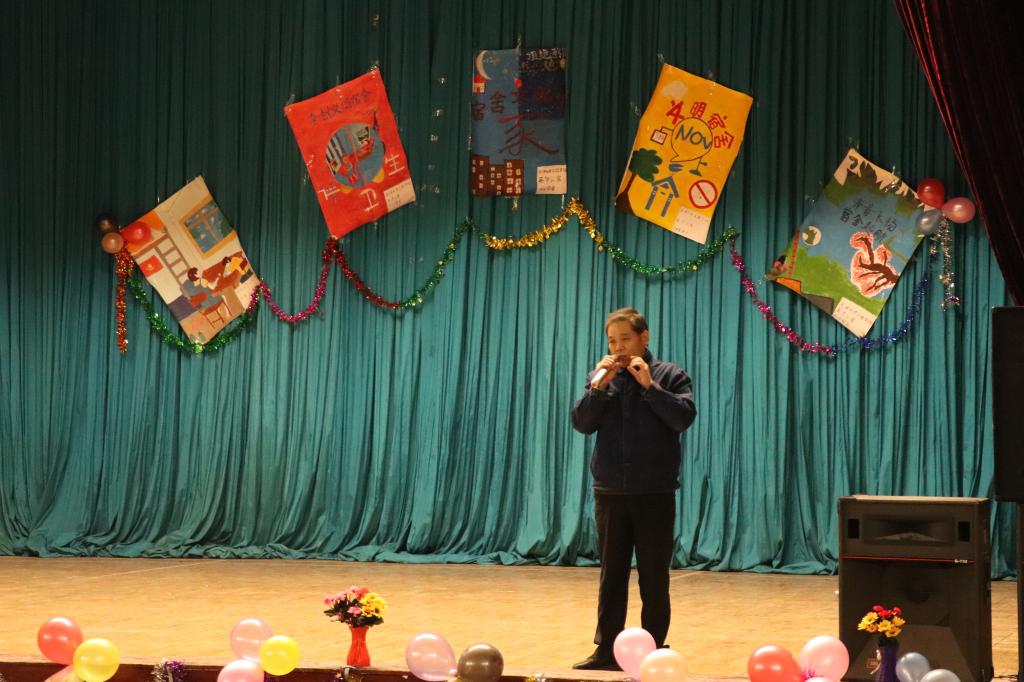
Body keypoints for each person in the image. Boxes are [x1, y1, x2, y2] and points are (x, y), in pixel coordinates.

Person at [570, 307, 697, 671]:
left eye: (625, 339)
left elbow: (682, 418)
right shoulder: (601, 378)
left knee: (654, 576)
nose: (618, 347)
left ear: (644, 337)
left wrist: (649, 387)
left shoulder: (670, 375)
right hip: (610, 491)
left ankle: (654, 648)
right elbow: (581, 423)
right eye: (612, 341)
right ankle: (606, 650)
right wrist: (598, 388)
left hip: (654, 493)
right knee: (611, 574)